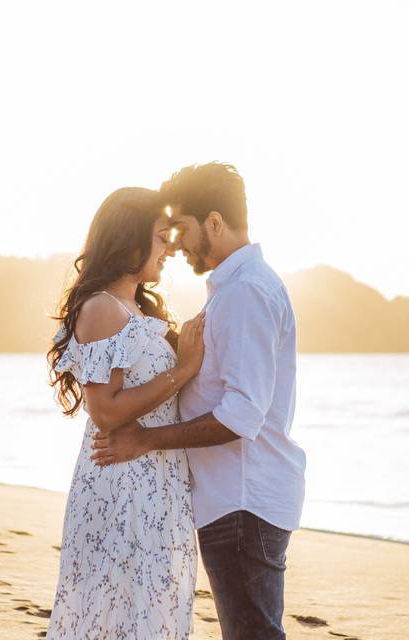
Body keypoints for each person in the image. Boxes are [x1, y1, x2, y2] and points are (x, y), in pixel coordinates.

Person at [91, 163, 307, 640]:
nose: (176, 244)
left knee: (252, 634)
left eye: (183, 230)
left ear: (213, 222)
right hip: (234, 499)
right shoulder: (235, 288)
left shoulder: (246, 291)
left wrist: (145, 440)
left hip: (242, 500)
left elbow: (241, 415)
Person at [45, 186, 207, 639]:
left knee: (150, 611)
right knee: (116, 615)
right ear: (130, 240)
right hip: (122, 486)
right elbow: (104, 412)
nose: (170, 248)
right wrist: (186, 368)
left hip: (156, 481)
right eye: (160, 236)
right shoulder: (102, 308)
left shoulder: (136, 309)